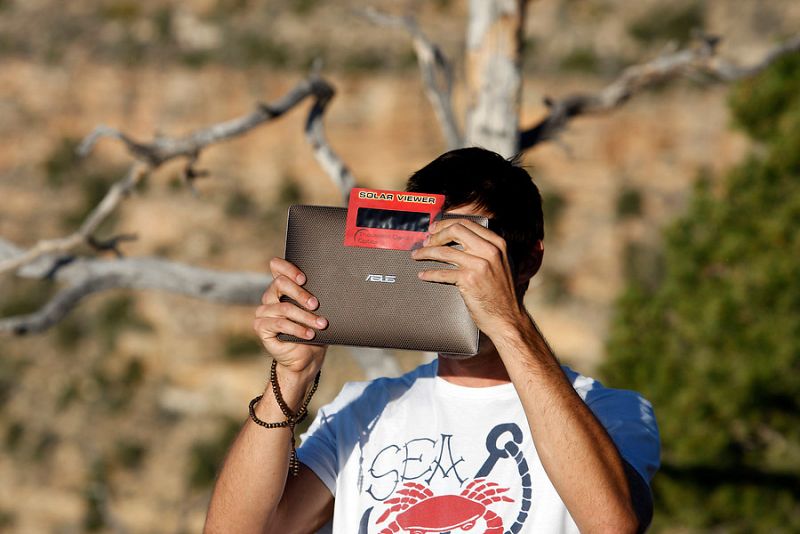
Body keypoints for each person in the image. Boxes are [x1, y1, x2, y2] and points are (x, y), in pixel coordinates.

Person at [204, 147, 660, 534]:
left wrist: (506, 320)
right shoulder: (360, 409)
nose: (445, 272)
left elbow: (612, 524)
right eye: (428, 246)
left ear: (526, 263)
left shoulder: (609, 411)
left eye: (463, 249)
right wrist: (292, 375)